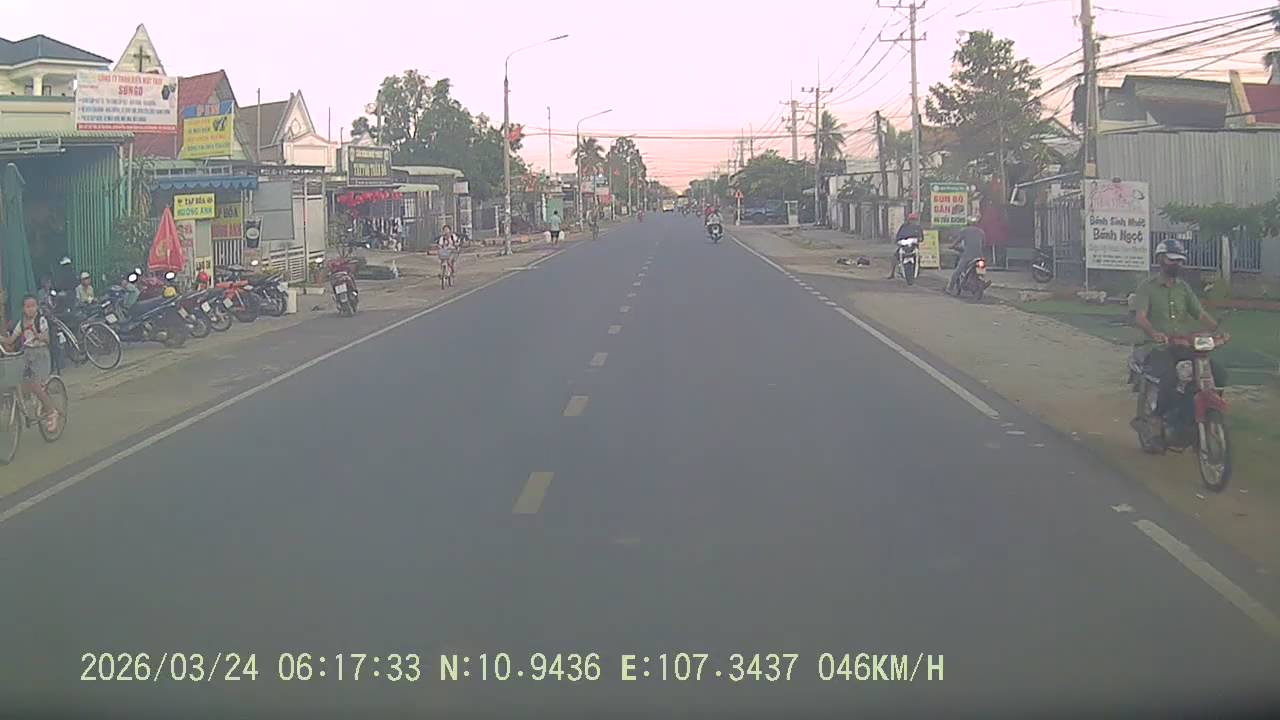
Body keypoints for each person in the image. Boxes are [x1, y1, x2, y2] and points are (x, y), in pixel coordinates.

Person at [1131, 239, 1228, 437]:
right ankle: (1156, 418)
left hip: (1183, 344)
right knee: (1170, 376)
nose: (1176, 264)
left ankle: (1198, 412)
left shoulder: (1183, 288)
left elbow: (1199, 313)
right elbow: (1140, 316)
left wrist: (1218, 330)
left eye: (1179, 260)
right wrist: (1154, 333)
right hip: (1156, 347)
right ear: (1160, 259)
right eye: (1171, 259)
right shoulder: (1147, 287)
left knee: (1216, 372)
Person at [3, 295, 59, 432]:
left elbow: (46, 339)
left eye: (33, 306)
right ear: (23, 309)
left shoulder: (41, 320)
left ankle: (52, 412)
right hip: (26, 355)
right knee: (19, 382)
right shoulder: (21, 323)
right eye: (27, 306)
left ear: (37, 307)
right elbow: (10, 340)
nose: (30, 309)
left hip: (41, 355)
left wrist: (34, 331)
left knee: (35, 385)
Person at [947, 215, 986, 295]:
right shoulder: (981, 232)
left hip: (968, 255)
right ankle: (981, 281)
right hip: (980, 256)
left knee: (957, 272)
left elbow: (957, 241)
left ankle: (950, 288)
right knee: (981, 271)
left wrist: (952, 246)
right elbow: (984, 244)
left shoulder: (964, 230)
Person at [889, 212, 925, 279]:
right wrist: (898, 241)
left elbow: (921, 238)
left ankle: (917, 270)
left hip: (913, 247)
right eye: (911, 219)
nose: (913, 221)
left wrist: (918, 240)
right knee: (894, 257)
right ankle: (892, 273)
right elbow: (898, 236)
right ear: (908, 220)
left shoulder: (918, 228)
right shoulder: (904, 227)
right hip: (903, 246)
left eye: (914, 219)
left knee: (918, 256)